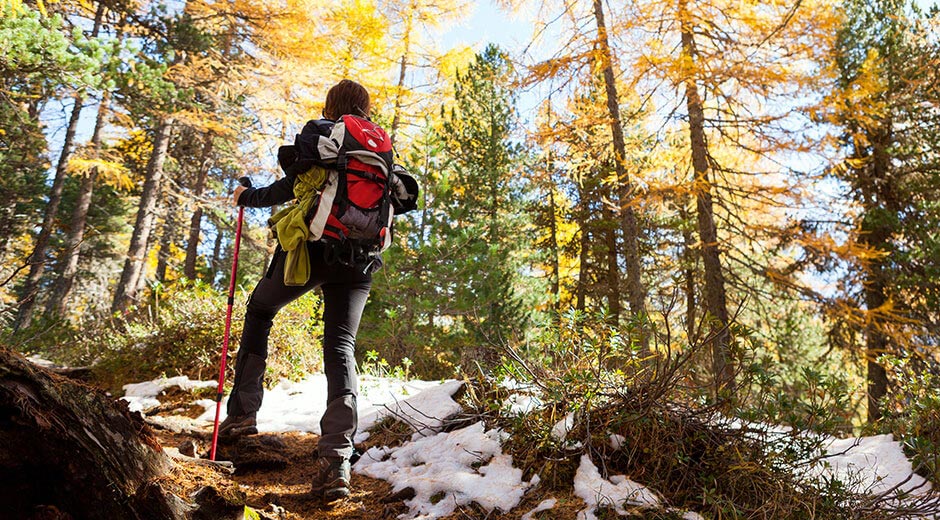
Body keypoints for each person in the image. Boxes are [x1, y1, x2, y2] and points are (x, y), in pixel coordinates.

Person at [218, 79, 411, 502]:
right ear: (365, 109)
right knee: (341, 345)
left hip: (314, 249)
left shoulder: (322, 133)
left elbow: (291, 186)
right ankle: (336, 460)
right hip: (360, 259)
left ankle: (242, 416)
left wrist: (247, 196)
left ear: (331, 106)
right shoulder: (381, 149)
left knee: (260, 310)